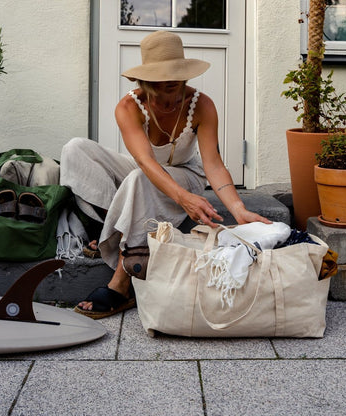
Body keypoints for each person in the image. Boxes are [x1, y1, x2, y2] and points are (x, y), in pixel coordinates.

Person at [60, 30, 270, 319]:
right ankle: (113, 229)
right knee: (75, 150)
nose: (170, 80)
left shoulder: (202, 105)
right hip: (145, 171)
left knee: (138, 180)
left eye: (175, 71)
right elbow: (145, 162)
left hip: (187, 174)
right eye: (161, 74)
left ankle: (122, 282)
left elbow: (213, 163)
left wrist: (238, 208)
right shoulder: (128, 107)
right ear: (145, 78)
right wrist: (182, 200)